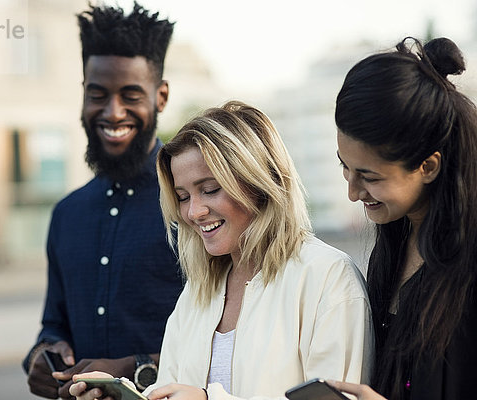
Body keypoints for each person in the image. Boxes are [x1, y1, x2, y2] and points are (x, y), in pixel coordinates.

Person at [68, 101, 374, 400]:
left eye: (210, 189)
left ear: (259, 182)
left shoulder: (328, 278)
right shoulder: (196, 293)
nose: (194, 212)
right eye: (183, 196)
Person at [23, 2, 184, 399]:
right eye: (98, 94)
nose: (113, 112)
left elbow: (228, 337)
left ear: (160, 96)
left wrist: (133, 368)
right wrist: (42, 355)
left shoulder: (193, 204)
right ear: (83, 95)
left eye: (131, 94)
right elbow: (53, 324)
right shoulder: (67, 214)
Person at [330, 37, 477, 400]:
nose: (353, 192)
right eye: (344, 167)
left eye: (370, 177)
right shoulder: (395, 238)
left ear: (428, 166)